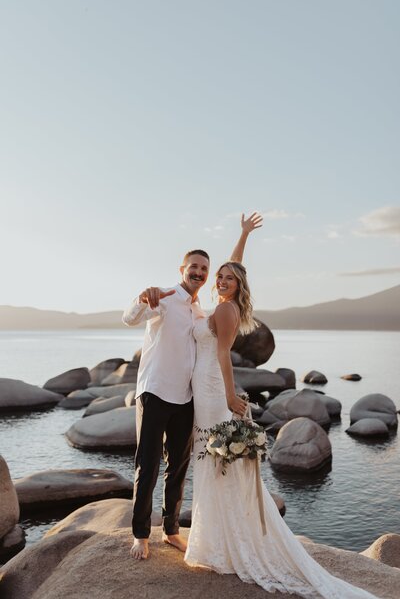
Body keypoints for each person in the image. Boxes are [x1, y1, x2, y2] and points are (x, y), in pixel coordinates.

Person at [184, 243, 378, 598]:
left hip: (213, 393)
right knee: (213, 465)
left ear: (238, 286)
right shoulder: (224, 303)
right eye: (221, 277)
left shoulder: (225, 310)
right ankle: (219, 540)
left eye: (230, 278)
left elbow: (224, 354)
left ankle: (223, 545)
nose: (224, 280)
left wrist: (229, 396)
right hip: (206, 390)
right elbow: (234, 269)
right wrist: (242, 236)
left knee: (215, 466)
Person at [122, 213, 263, 560]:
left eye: (205, 268)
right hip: (155, 391)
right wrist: (142, 299)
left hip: (188, 397)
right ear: (182, 268)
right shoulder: (164, 297)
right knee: (148, 464)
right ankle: (140, 534)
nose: (199, 272)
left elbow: (234, 274)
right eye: (194, 266)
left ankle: (171, 530)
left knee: (179, 467)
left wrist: (243, 235)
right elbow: (129, 318)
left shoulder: (204, 308)